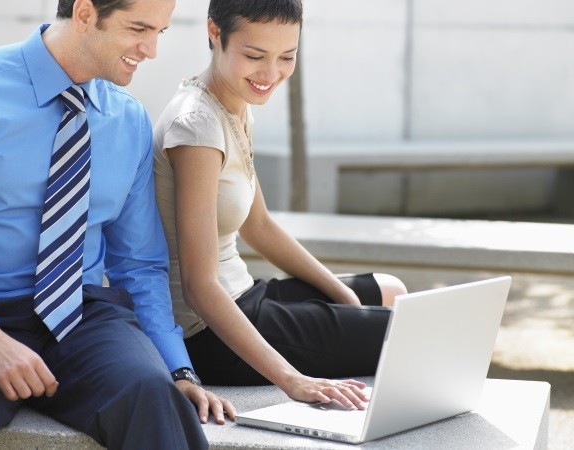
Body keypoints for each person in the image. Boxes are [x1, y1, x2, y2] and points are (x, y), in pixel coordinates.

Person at [0, 0, 235, 448]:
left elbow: (138, 264)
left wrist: (178, 367)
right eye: (138, 28)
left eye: (160, 32)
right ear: (84, 13)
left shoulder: (127, 118)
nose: (150, 49)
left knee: (154, 397)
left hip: (81, 312)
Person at [153, 0, 408, 411]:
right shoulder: (196, 127)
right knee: (409, 335)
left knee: (390, 290)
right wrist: (292, 380)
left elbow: (260, 228)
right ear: (215, 34)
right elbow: (199, 288)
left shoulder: (233, 105)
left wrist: (344, 296)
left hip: (247, 293)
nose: (270, 74)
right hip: (210, 332)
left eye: (286, 57)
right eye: (254, 56)